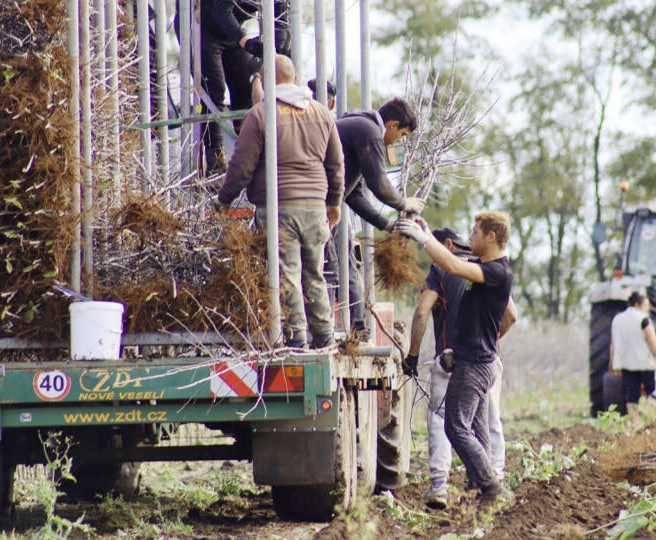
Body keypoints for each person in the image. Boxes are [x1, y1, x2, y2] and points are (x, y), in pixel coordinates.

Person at [216, 55, 342, 349]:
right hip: (315, 206)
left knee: (288, 274)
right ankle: (324, 334)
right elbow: (336, 163)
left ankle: (297, 337)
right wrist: (334, 201)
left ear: (268, 81)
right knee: (315, 272)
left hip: (279, 208)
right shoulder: (322, 113)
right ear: (295, 77)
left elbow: (241, 166)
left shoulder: (262, 115)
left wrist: (225, 199)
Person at [395, 212, 514, 504]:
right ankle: (481, 486)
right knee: (478, 425)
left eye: (475, 232)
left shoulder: (497, 272)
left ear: (492, 237)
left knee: (454, 426)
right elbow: (511, 316)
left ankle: (490, 485)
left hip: (475, 363)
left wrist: (422, 238)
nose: (470, 237)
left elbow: (450, 263)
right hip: (472, 358)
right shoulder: (483, 267)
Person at [332, 98, 425, 337]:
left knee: (345, 260)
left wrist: (387, 224)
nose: (399, 141)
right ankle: (355, 326)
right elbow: (378, 183)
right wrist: (405, 203)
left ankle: (357, 324)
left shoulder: (358, 127)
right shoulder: (370, 132)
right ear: (392, 125)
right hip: (320, 205)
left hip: (330, 204)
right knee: (340, 262)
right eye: (402, 134)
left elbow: (354, 196)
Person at [199, 0, 290, 173]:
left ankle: (248, 151)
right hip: (204, 27)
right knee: (215, 89)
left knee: (245, 88)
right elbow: (220, 10)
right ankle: (214, 159)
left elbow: (281, 21)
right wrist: (247, 42)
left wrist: (278, 47)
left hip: (232, 31)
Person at [610, 291, 656, 418]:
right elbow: (652, 342)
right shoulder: (643, 319)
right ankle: (650, 420)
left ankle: (634, 424)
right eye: (646, 305)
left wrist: (612, 363)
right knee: (653, 393)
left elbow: (613, 344)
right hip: (646, 364)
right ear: (638, 304)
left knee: (632, 396)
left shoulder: (617, 319)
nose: (647, 309)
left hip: (627, 365)